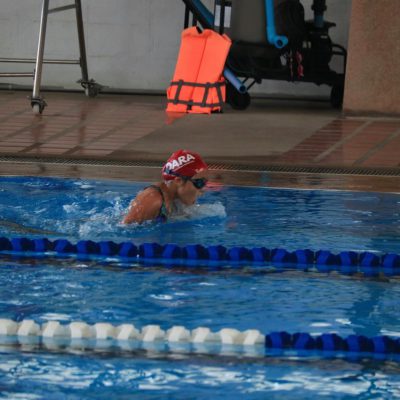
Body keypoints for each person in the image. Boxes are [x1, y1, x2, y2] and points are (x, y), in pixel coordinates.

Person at [122, 149, 208, 224]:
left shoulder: (178, 200)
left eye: (205, 182)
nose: (203, 189)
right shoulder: (152, 199)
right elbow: (125, 229)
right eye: (199, 183)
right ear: (179, 181)